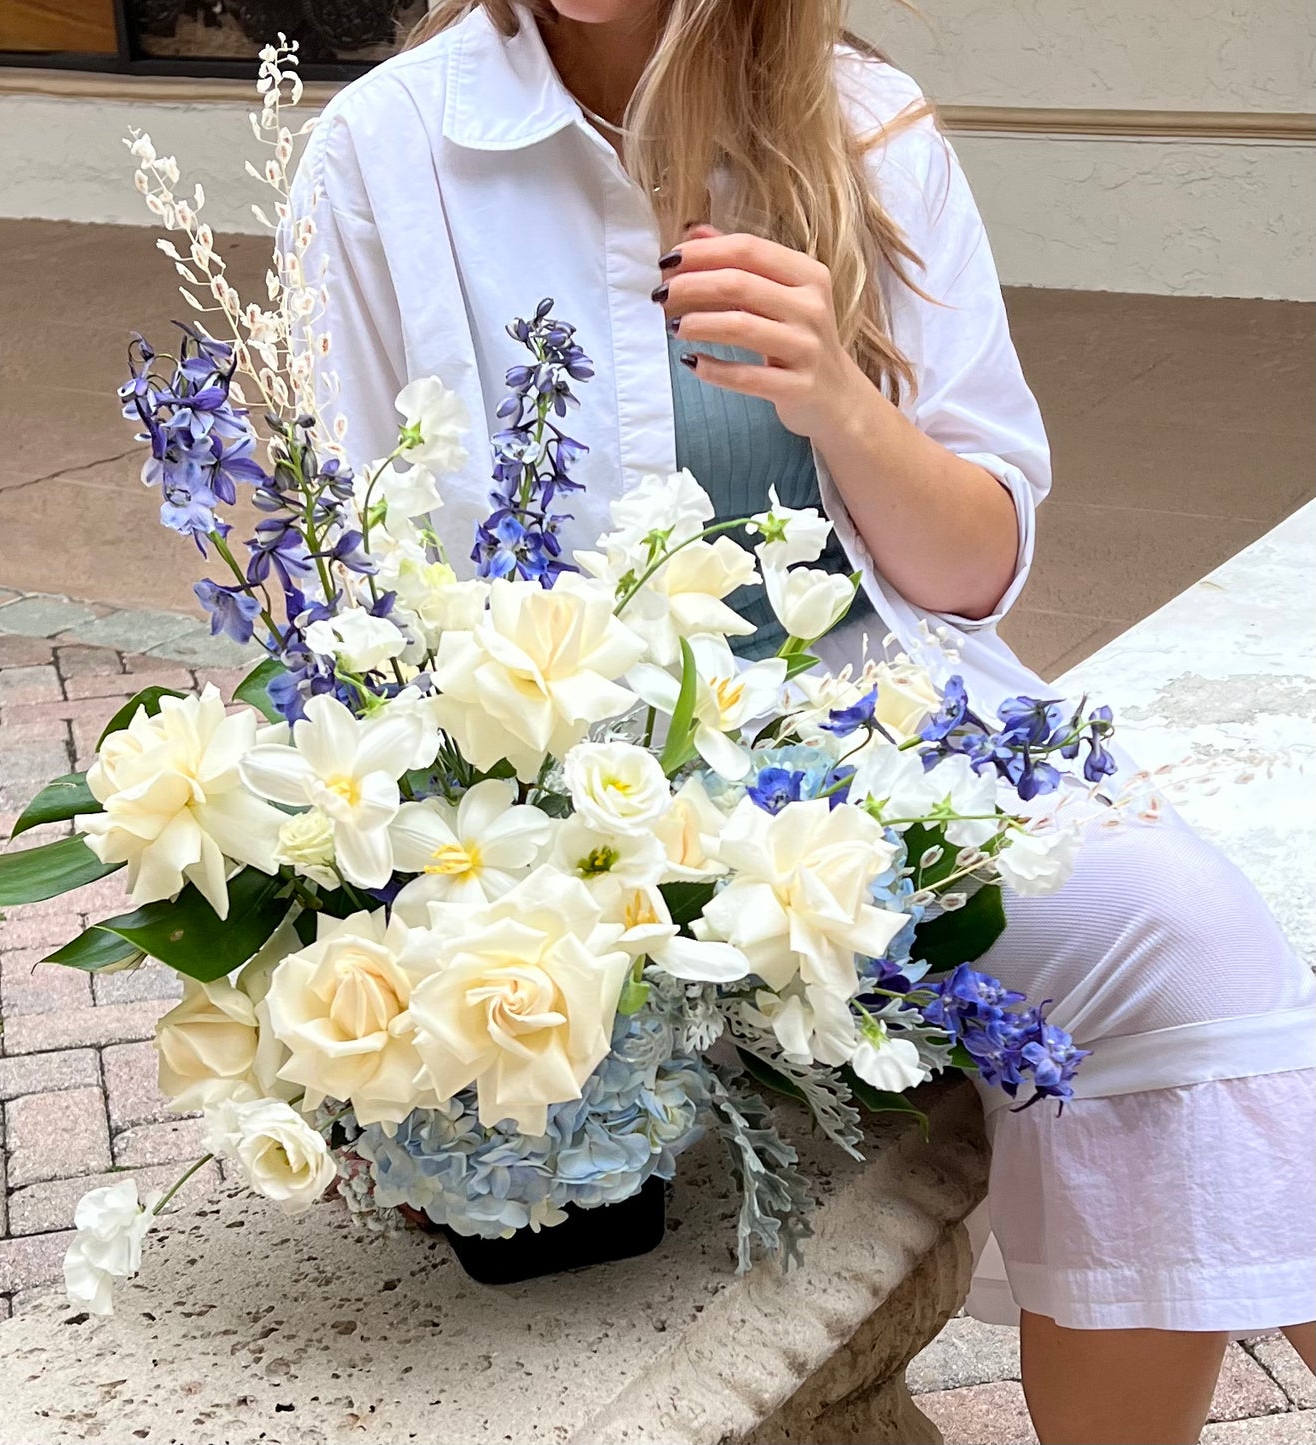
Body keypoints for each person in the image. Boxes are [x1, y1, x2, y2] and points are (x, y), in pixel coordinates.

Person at [288, 2, 1316, 1439]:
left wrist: (837, 396)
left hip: (873, 741)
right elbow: (342, 590)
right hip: (549, 809)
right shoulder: (385, 151)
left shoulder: (860, 126)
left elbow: (969, 565)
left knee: (1188, 949)